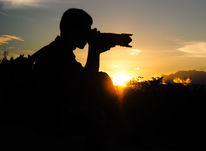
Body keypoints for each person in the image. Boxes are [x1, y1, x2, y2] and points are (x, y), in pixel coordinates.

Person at [31, 8, 132, 136]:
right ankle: (122, 132)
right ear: (73, 30)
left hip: (58, 112)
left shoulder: (59, 49)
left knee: (102, 77)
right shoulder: (56, 53)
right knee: (103, 79)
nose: (88, 33)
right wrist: (94, 50)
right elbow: (85, 86)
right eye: (86, 29)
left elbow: (83, 79)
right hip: (54, 119)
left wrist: (98, 49)